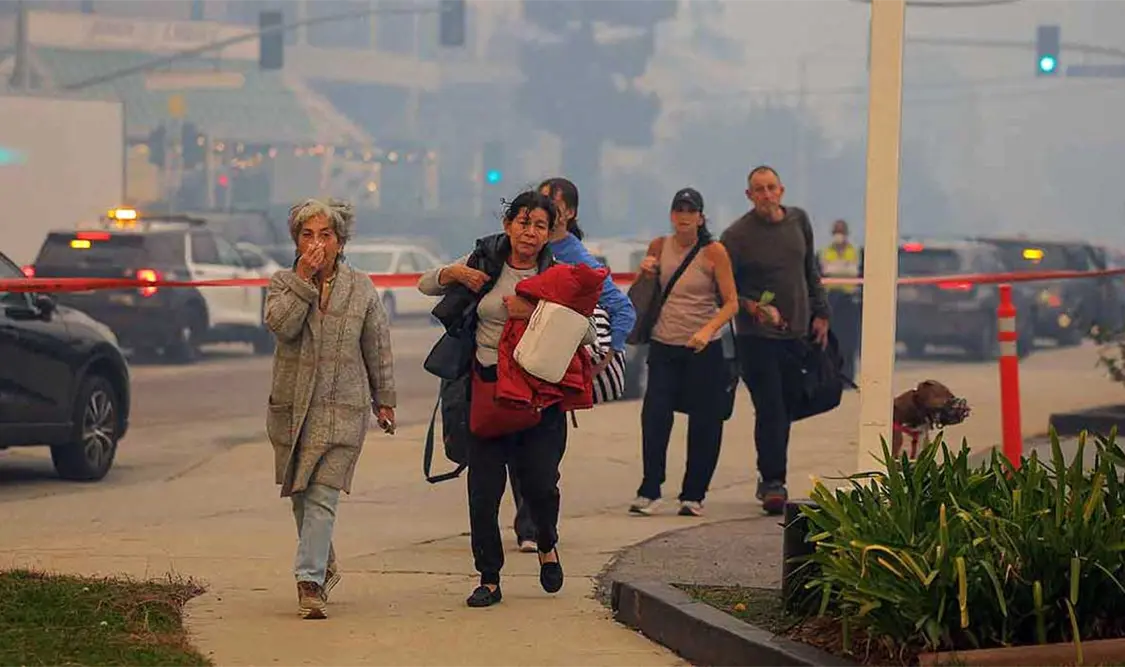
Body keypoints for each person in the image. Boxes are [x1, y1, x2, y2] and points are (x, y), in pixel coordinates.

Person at [418, 190, 594, 608]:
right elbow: (426, 284)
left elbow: (586, 332)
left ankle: (547, 543)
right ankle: (489, 578)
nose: (529, 232)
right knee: (483, 491)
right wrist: (456, 275)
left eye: (539, 226)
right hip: (488, 393)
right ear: (508, 224)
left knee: (540, 486)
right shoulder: (484, 260)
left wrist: (535, 312)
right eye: (522, 222)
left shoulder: (563, 273)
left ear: (550, 233)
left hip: (538, 401)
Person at [264, 198, 397, 620]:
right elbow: (281, 325)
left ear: (341, 242)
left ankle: (309, 583)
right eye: (307, 235)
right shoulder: (283, 283)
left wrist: (385, 400)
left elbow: (377, 346)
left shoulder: (361, 287)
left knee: (322, 495)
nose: (316, 243)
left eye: (326, 235)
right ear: (296, 240)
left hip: (343, 409)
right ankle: (323, 561)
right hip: (293, 409)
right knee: (301, 496)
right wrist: (303, 279)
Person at [498, 177, 637, 553]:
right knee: (513, 449)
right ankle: (528, 524)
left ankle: (537, 526)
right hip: (513, 369)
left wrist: (606, 355)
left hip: (548, 374)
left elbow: (622, 308)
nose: (538, 214)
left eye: (550, 205)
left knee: (540, 456)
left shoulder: (572, 256)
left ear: (568, 213)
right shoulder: (509, 251)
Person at [720, 166, 830, 516]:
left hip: (797, 333)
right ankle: (772, 482)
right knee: (771, 408)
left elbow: (809, 269)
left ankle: (771, 472)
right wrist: (751, 307)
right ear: (749, 196)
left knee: (795, 403)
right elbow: (724, 285)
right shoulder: (736, 236)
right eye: (759, 190)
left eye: (771, 188)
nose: (766, 195)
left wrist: (821, 313)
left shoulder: (799, 221)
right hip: (757, 339)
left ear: (781, 190)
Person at [628, 188, 739, 517]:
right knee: (655, 416)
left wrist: (707, 330)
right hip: (664, 345)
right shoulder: (659, 247)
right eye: (679, 210)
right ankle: (650, 489)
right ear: (671, 215)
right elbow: (642, 294)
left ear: (701, 217)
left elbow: (731, 302)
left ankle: (694, 494)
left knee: (705, 422)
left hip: (703, 349)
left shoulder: (713, 252)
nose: (684, 216)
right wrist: (645, 272)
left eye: (691, 211)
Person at [819, 219, 861, 381]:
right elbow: (825, 269)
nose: (839, 235)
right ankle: (832, 376)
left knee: (848, 343)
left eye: (841, 231)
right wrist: (843, 268)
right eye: (836, 231)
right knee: (832, 341)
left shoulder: (853, 251)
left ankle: (848, 377)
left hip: (849, 301)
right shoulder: (826, 251)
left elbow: (853, 271)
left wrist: (837, 269)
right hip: (831, 301)